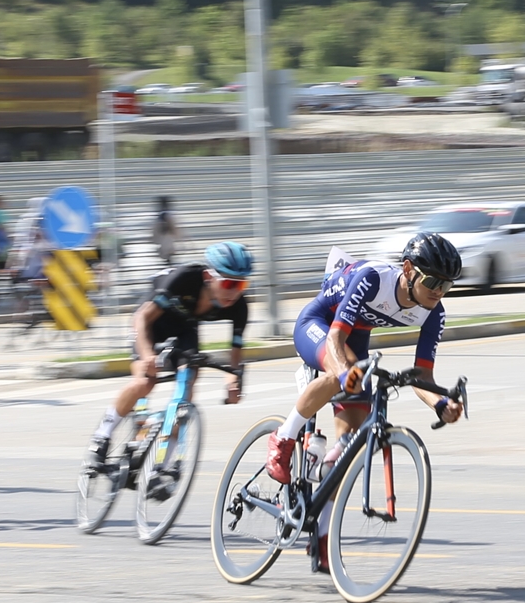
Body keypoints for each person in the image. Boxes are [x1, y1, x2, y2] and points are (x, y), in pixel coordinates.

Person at [264, 232, 465, 569]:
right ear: (408, 269)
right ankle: (283, 437)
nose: (438, 291)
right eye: (432, 281)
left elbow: (423, 378)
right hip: (321, 324)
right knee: (335, 373)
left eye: (447, 286)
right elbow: (335, 339)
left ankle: (323, 537)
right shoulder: (373, 279)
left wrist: (442, 406)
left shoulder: (434, 312)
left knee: (346, 449)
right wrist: (345, 373)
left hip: (356, 337)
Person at [87, 241, 254, 464]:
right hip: (151, 321)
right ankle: (102, 435)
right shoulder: (184, 279)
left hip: (185, 326)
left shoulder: (239, 307)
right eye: (228, 284)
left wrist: (233, 379)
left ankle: (164, 463)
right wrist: (147, 356)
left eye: (241, 285)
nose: (234, 292)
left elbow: (236, 351)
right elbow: (142, 319)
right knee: (144, 383)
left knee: (188, 380)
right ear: (208, 277)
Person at [152, 195, 181, 266]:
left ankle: (168, 260)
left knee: (167, 250)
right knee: (168, 250)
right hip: (167, 238)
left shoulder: (162, 215)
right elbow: (173, 227)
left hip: (166, 239)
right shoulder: (165, 215)